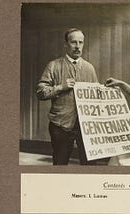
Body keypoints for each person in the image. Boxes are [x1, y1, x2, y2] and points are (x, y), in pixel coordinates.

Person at [36, 28, 98, 165]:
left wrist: (107, 92)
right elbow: (40, 93)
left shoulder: (89, 68)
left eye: (80, 42)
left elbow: (95, 98)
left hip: (86, 127)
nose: (77, 46)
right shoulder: (53, 66)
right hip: (61, 126)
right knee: (60, 163)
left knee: (90, 166)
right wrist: (60, 87)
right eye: (73, 42)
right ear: (66, 44)